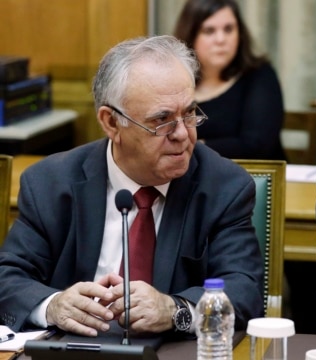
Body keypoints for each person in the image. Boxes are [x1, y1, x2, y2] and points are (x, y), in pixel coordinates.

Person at [0, 35, 264, 337]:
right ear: (112, 123)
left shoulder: (224, 187)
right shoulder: (49, 184)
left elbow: (245, 292)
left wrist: (175, 309)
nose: (182, 133)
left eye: (189, 113)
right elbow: (8, 277)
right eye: (162, 120)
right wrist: (53, 305)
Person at [174, 0, 287, 161]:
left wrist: (194, 147)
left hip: (259, 179)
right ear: (190, 35)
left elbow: (257, 145)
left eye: (228, 29)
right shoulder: (175, 81)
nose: (221, 39)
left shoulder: (259, 75)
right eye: (209, 30)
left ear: (239, 34)